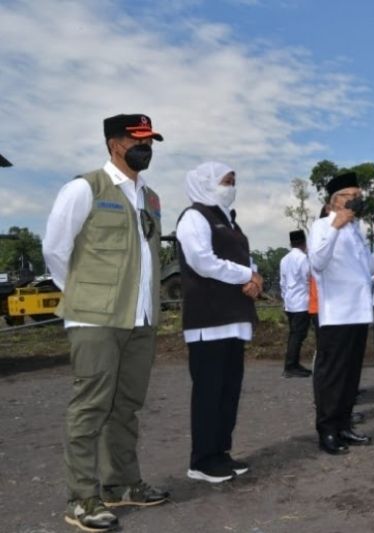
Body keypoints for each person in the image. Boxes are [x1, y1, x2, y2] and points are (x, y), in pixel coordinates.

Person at [42, 113, 169, 532]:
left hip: (141, 317)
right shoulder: (85, 188)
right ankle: (82, 498)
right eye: (139, 141)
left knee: (126, 406)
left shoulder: (149, 197)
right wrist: (84, 297)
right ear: (115, 143)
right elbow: (56, 249)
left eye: (150, 141)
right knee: (91, 407)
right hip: (95, 318)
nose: (146, 148)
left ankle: (121, 484)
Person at [176, 161, 262, 484]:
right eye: (226, 181)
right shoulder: (194, 217)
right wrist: (246, 275)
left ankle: (221, 453)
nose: (231, 187)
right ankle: (201, 460)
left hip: (234, 318)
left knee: (229, 390)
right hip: (208, 320)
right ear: (207, 183)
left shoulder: (231, 222)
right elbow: (202, 261)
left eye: (234, 181)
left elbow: (246, 260)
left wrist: (255, 277)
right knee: (209, 391)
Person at [308, 171, 374, 455]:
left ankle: (344, 425)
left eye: (359, 196)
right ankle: (327, 431)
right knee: (332, 376)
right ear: (334, 202)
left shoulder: (355, 231)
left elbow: (368, 268)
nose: (357, 201)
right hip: (336, 314)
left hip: (358, 313)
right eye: (351, 197)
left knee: (351, 376)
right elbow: (317, 262)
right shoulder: (322, 225)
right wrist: (335, 226)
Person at [279, 230, 313, 377]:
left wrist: (285, 298)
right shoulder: (303, 258)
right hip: (301, 302)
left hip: (290, 302)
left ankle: (293, 364)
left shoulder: (284, 259)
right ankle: (290, 366)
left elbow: (282, 283)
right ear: (304, 242)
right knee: (298, 336)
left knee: (294, 334)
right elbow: (309, 277)